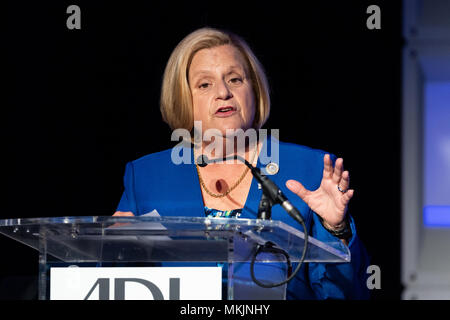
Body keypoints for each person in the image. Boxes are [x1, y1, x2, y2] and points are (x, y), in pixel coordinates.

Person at [113, 27, 370, 299]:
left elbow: (344, 293)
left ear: (254, 90)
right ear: (183, 99)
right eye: (204, 84)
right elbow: (115, 280)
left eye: (235, 80)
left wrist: (335, 230)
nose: (223, 92)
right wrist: (114, 248)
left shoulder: (309, 167)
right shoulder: (147, 177)